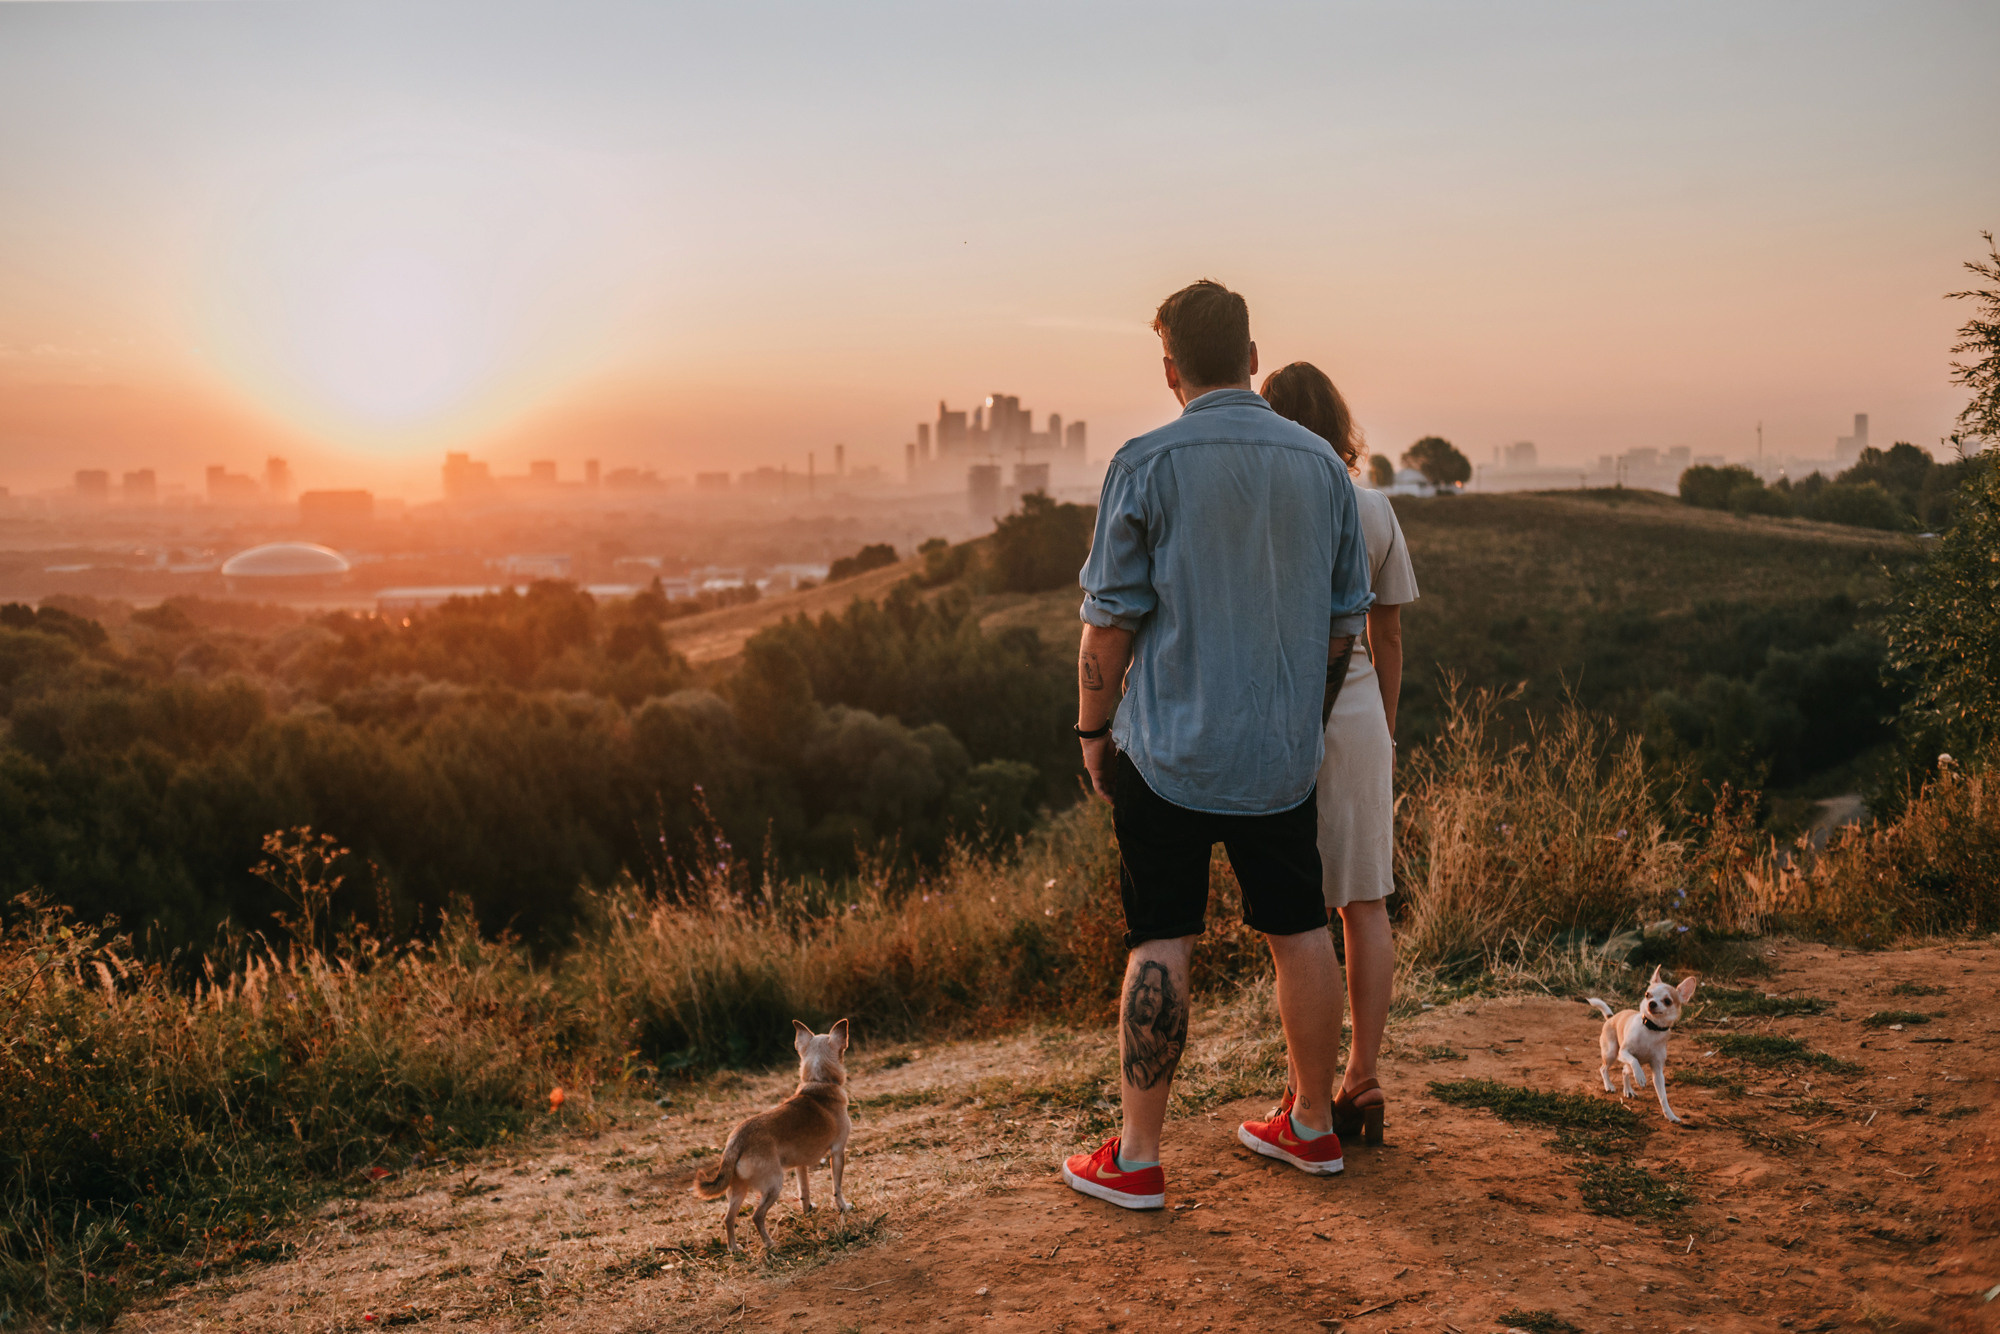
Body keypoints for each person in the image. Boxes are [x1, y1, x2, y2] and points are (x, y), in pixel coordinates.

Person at [1061, 280, 1374, 1210]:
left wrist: (1090, 732)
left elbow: (1106, 627)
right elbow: (1342, 624)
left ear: (1170, 370)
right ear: (1250, 355)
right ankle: (1314, 1128)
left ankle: (1139, 1157)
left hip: (1168, 752)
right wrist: (1305, 720)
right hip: (1280, 753)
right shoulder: (1321, 465)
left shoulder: (1144, 462)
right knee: (1299, 929)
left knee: (1162, 934)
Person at [1260, 361, 1419, 1147]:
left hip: (1288, 712)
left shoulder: (1277, 508)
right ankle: (1364, 1077)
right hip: (1360, 718)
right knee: (1366, 902)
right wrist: (1381, 728)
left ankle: (1304, 1092)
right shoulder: (1377, 508)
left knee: (1297, 909)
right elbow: (1387, 634)